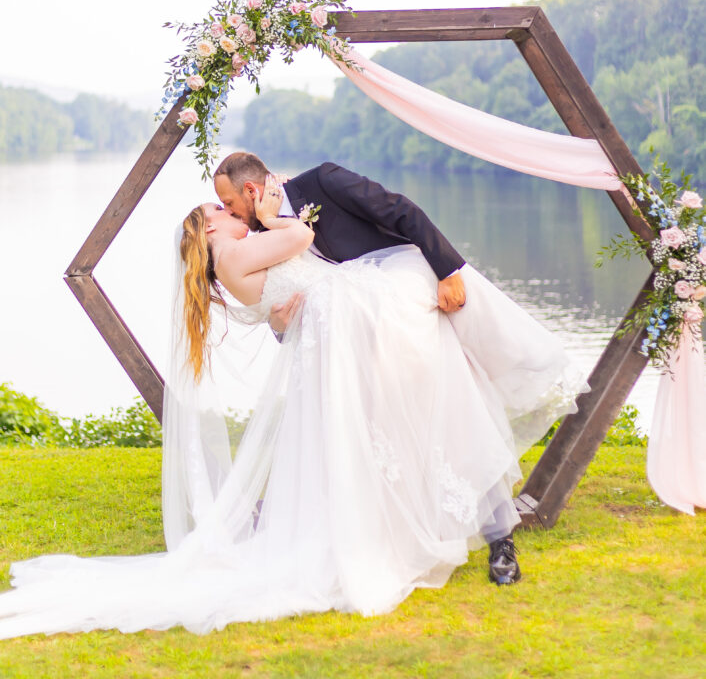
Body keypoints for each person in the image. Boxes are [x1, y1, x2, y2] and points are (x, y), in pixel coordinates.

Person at [0, 167, 584, 638]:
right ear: (211, 233)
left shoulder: (313, 190)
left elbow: (367, 240)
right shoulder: (248, 244)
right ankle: (399, 534)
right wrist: (278, 226)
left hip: (360, 328)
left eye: (229, 205)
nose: (231, 216)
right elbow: (296, 260)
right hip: (345, 342)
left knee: (426, 414)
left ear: (248, 191)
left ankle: (487, 531)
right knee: (374, 438)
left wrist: (445, 267)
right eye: (220, 214)